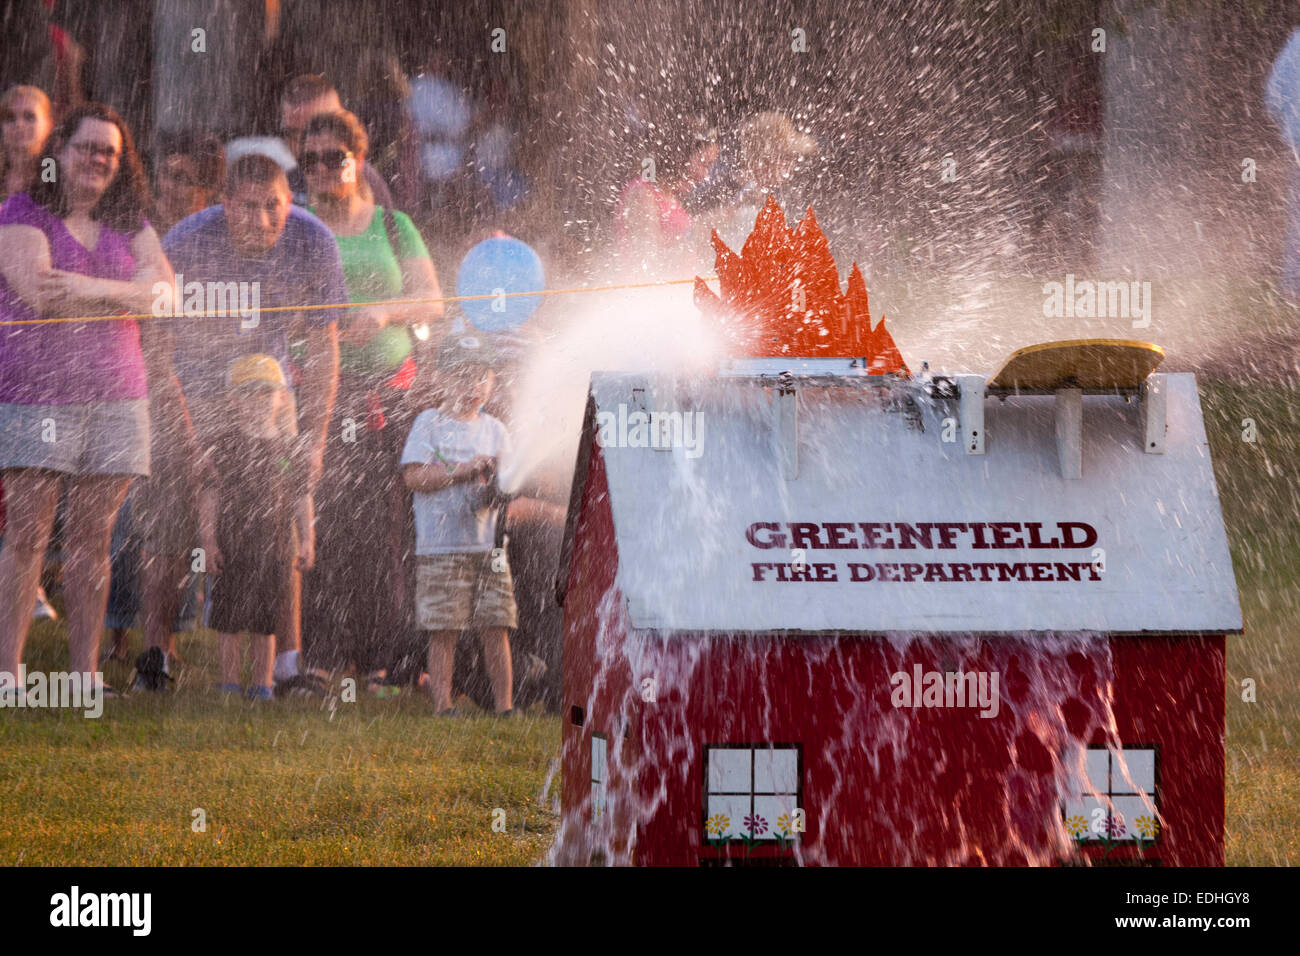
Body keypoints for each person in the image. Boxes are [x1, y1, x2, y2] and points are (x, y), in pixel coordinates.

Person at [0, 103, 177, 697]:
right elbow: (41, 295)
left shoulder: (131, 221)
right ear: (60, 152)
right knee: (26, 536)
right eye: (87, 147)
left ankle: (83, 677)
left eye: (110, 151)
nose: (99, 159)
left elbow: (166, 296)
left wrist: (90, 286)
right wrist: (127, 294)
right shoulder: (22, 211)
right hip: (36, 394)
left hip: (118, 394)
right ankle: (8, 675)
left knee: (92, 541)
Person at [162, 152, 345, 696]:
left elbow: (324, 345)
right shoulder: (187, 240)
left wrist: (313, 439)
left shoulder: (313, 240)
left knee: (278, 524)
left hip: (266, 388)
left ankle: (284, 666)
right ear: (223, 205)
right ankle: (159, 654)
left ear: (292, 202)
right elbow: (159, 345)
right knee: (173, 524)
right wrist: (186, 435)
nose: (264, 221)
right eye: (249, 208)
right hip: (194, 382)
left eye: (275, 207)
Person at [297, 109, 444, 691]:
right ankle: (324, 651)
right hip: (318, 395)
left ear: (359, 160)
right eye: (309, 160)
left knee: (389, 526)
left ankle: (389, 655)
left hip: (390, 394)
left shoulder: (392, 224)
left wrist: (385, 311)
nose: (321, 170)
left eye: (334, 157)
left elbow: (432, 302)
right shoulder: (294, 222)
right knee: (328, 520)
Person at [103, 131, 225, 687]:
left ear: (208, 189)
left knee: (181, 537)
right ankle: (133, 644)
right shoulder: (151, 237)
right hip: (156, 394)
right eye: (166, 174)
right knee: (145, 529)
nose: (170, 186)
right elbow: (155, 345)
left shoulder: (208, 242)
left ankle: (170, 646)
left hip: (216, 399)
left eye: (184, 178)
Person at [401, 334, 516, 715]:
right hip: (441, 547)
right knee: (444, 630)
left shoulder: (496, 430)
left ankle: (505, 706)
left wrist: (497, 484)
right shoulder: (429, 423)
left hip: (490, 548)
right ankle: (443, 705)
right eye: (462, 376)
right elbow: (414, 478)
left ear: (492, 381)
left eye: (480, 376)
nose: (472, 386)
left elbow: (511, 482)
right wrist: (462, 472)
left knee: (496, 625)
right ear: (441, 378)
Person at [199, 355, 314, 701]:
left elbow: (301, 496)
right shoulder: (223, 444)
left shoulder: (291, 448)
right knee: (229, 619)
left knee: (267, 619)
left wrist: (307, 538)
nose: (259, 401)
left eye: (267, 393)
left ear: (281, 398)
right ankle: (230, 680)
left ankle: (262, 682)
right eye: (249, 394)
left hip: (276, 545)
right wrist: (207, 540)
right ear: (233, 400)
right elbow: (209, 493)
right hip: (233, 544)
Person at [615, 115, 719, 275]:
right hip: (654, 295)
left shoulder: (671, 196)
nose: (705, 175)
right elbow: (645, 259)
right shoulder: (643, 193)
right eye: (704, 164)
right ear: (681, 155)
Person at [279, 74, 396, 210]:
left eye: (315, 130)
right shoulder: (288, 180)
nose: (301, 144)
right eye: (291, 132)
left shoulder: (366, 183)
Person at [1, 86, 54, 201]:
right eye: (10, 118)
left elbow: (51, 209)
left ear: (49, 125)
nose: (19, 124)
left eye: (29, 117)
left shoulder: (50, 167)